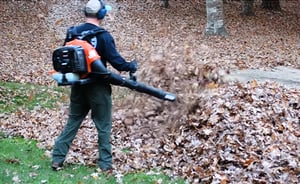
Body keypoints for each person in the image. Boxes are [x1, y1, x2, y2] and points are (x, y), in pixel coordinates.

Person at [51, 0, 137, 172]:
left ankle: (57, 159)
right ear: (101, 14)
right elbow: (117, 63)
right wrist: (131, 66)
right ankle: (105, 163)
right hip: (98, 86)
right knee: (103, 125)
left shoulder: (72, 33)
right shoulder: (103, 36)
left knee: (73, 121)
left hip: (78, 84)